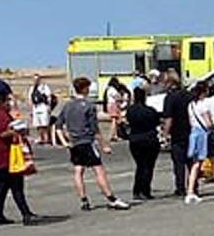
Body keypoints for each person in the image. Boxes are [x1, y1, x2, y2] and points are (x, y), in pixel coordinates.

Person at [53, 77, 131, 212]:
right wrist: (104, 144)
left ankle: (84, 200)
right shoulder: (89, 106)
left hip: (74, 143)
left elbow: (58, 125)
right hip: (87, 141)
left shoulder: (68, 105)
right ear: (84, 89)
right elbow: (95, 129)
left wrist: (65, 141)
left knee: (78, 170)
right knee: (98, 170)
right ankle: (111, 198)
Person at [0, 98, 38, 226]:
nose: (9, 103)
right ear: (0, 102)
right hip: (6, 155)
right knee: (16, 185)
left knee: (2, 187)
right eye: (7, 101)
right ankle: (26, 214)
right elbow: (3, 133)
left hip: (0, 156)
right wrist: (18, 130)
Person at [125, 86, 162, 202]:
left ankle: (137, 190)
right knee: (148, 166)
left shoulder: (130, 111)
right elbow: (157, 122)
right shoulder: (150, 111)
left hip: (135, 140)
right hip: (150, 139)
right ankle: (145, 190)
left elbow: (127, 122)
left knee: (140, 165)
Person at [161, 71, 191, 196]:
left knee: (179, 163)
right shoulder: (188, 95)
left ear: (169, 82)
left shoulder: (170, 97)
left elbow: (169, 118)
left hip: (177, 133)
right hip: (190, 130)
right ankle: (193, 185)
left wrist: (165, 134)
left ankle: (180, 187)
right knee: (191, 162)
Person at [30, 75, 53, 145]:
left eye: (37, 79)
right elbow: (30, 99)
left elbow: (49, 97)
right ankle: (40, 137)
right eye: (34, 79)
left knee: (44, 124)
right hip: (36, 108)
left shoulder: (44, 87)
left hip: (43, 107)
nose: (35, 81)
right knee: (38, 124)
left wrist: (49, 106)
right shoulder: (32, 88)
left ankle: (46, 138)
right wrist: (31, 109)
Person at [104, 77, 128, 142]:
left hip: (110, 105)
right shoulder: (112, 89)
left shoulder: (108, 89)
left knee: (115, 121)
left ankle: (115, 135)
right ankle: (113, 135)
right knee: (114, 121)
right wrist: (123, 98)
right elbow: (117, 97)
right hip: (113, 105)